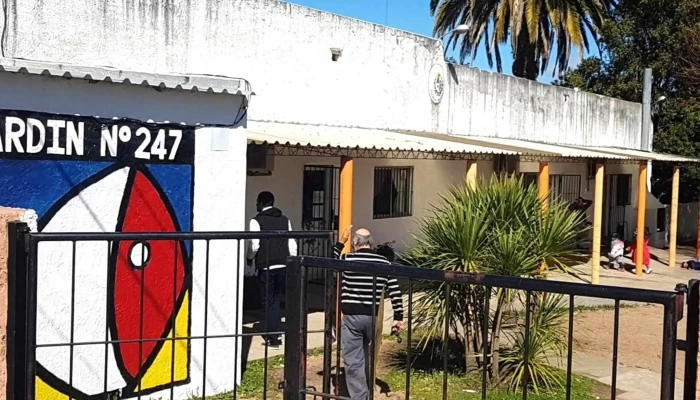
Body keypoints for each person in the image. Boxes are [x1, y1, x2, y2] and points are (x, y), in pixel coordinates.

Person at [332, 227, 403, 400]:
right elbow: (395, 290)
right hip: (373, 317)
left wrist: (341, 242)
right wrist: (398, 317)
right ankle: (369, 387)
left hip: (352, 317)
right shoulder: (384, 263)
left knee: (354, 360)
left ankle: (360, 396)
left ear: (355, 243)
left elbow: (329, 263)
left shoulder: (347, 258)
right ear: (371, 243)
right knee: (369, 355)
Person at [247, 191, 297, 349]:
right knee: (275, 299)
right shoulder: (285, 220)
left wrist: (249, 258)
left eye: (257, 202)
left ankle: (273, 337)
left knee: (268, 301)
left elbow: (254, 244)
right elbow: (292, 243)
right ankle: (275, 332)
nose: (256, 205)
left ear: (262, 203)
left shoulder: (256, 221)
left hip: (266, 265)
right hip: (283, 265)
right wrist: (292, 262)